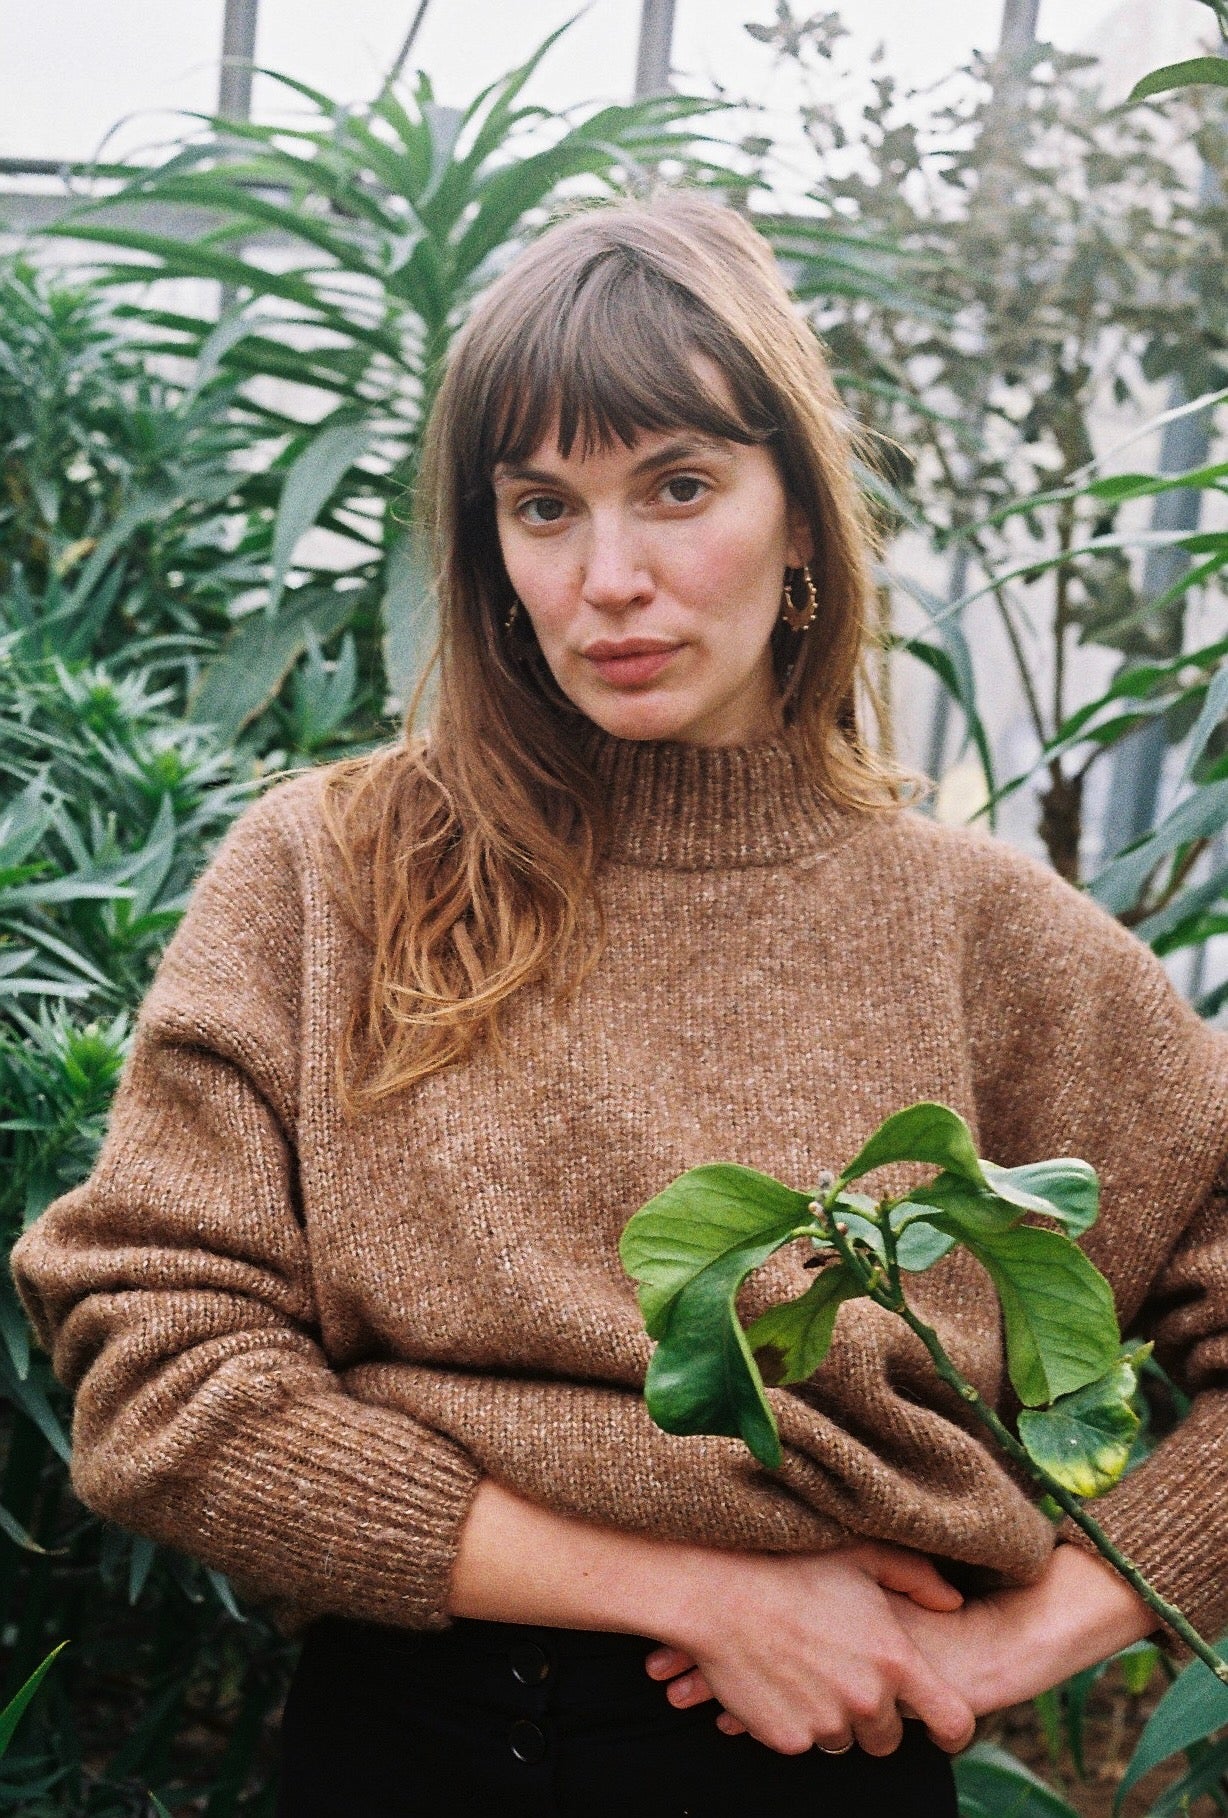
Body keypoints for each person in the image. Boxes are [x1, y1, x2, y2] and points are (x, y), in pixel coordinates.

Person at [11, 191, 1228, 1818]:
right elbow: (153, 1364)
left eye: (679, 486)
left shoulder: (985, 937)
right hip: (406, 1733)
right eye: (543, 506)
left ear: (803, 517)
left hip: (814, 1764)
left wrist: (1032, 1634)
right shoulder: (334, 872)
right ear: (487, 547)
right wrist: (692, 1588)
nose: (609, 579)